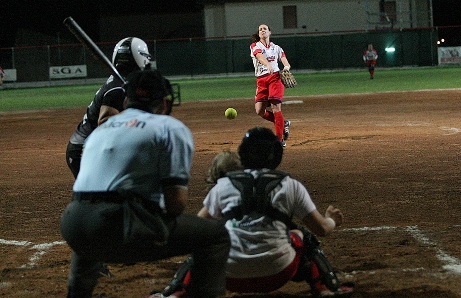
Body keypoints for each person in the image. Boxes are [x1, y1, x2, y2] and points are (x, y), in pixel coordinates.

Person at [60, 69, 231, 298]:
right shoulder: (170, 127)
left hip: (73, 224)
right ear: (163, 102)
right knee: (216, 236)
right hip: (120, 225)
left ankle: (77, 294)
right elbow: (176, 205)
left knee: (92, 223)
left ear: (125, 100)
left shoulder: (99, 131)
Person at [156, 127, 355, 298]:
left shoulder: (224, 185)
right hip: (279, 272)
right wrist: (331, 220)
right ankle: (325, 286)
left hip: (227, 276)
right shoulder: (290, 185)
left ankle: (176, 291)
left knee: (205, 244)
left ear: (243, 154)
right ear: (276, 155)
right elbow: (322, 229)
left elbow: (197, 230)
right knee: (303, 236)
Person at [65, 37, 152, 179]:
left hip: (91, 147)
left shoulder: (123, 82)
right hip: (85, 150)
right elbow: (105, 121)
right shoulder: (118, 88)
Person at [250, 24, 292, 147]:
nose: (262, 30)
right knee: (259, 111)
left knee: (275, 108)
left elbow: (284, 59)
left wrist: (286, 67)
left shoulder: (276, 48)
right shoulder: (255, 46)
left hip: (275, 78)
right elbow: (259, 55)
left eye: (265, 29)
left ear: (270, 32)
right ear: (258, 34)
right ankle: (283, 123)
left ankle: (279, 140)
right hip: (261, 80)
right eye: (260, 29)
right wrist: (267, 64)